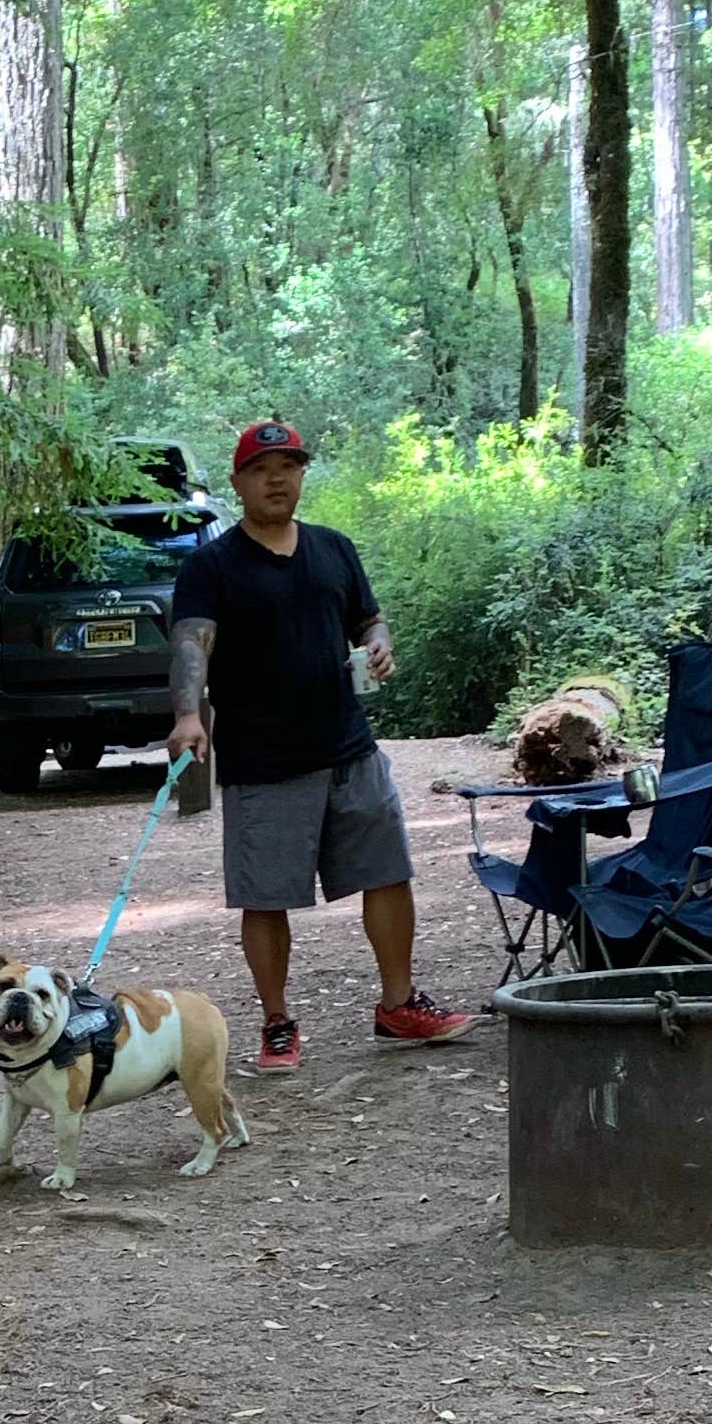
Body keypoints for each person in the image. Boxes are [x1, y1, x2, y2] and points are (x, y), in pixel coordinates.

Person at [166, 419, 469, 1073]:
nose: (277, 477)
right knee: (266, 894)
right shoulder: (210, 565)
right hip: (263, 759)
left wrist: (380, 642)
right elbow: (193, 641)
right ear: (241, 481)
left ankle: (398, 1005)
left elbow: (368, 617)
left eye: (289, 465)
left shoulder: (335, 548)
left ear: (301, 475)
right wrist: (189, 714)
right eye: (262, 467)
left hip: (349, 748)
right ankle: (277, 1023)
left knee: (388, 872)